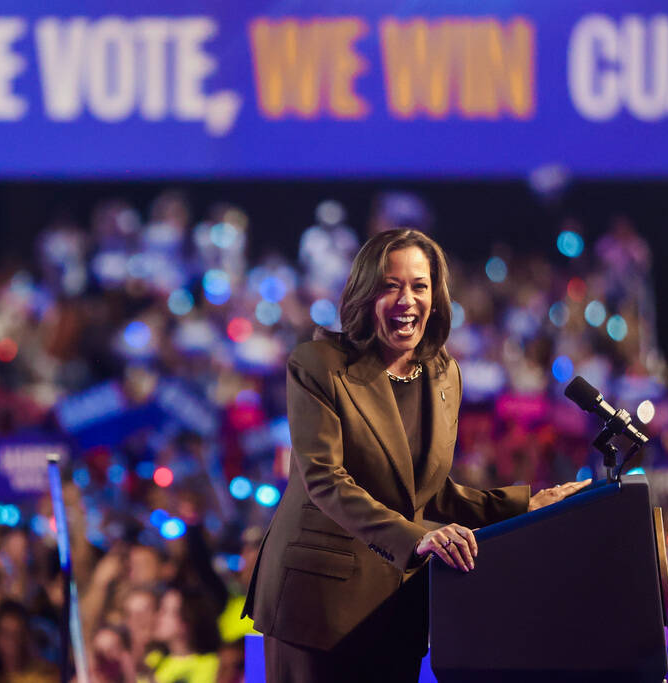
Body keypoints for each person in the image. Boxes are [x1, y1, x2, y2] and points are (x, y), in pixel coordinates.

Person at [243, 229, 589, 682]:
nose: (407, 299)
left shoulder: (444, 375)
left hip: (397, 608)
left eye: (419, 286)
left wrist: (524, 506)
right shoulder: (317, 365)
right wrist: (415, 538)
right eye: (391, 285)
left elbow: (425, 491)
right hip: (316, 605)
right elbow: (325, 478)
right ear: (366, 293)